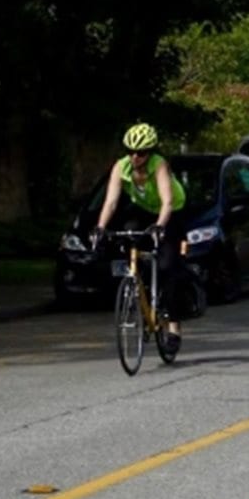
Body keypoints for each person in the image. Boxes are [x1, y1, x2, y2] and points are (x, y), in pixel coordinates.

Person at [93, 123, 192, 352]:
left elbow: (167, 201)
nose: (135, 157)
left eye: (141, 153)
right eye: (130, 152)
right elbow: (111, 202)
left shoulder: (159, 165)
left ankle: (173, 326)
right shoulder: (121, 167)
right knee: (128, 233)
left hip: (171, 212)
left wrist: (159, 226)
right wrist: (100, 227)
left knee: (167, 267)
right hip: (143, 211)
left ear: (151, 152)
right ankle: (139, 284)